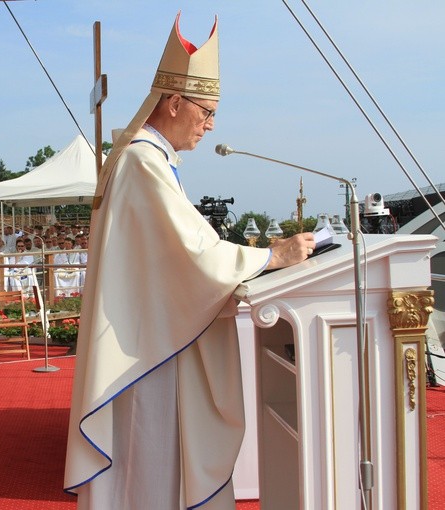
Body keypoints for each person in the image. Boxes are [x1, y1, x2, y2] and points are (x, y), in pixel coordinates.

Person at [64, 12, 315, 510]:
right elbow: (193, 254)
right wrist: (273, 254)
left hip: (152, 337)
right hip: (148, 352)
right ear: (174, 102)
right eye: (207, 111)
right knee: (151, 472)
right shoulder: (141, 161)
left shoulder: (149, 159)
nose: (212, 124)